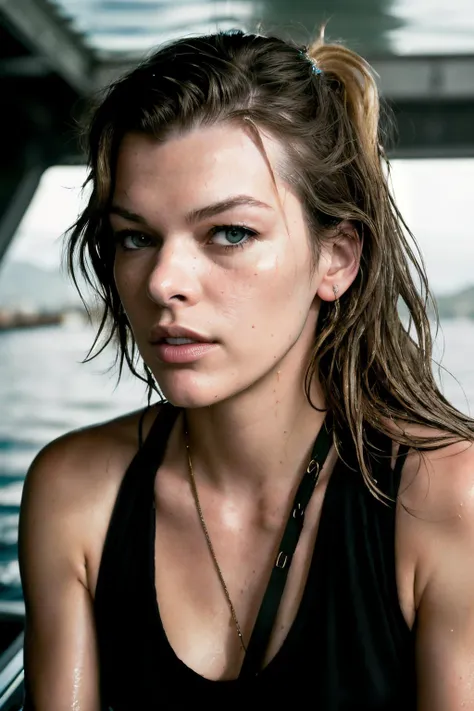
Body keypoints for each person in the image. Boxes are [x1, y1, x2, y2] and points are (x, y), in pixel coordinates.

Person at [18, 28, 474, 711]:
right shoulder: (75, 493)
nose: (164, 281)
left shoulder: (446, 498)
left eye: (229, 232)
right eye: (136, 237)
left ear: (337, 260)